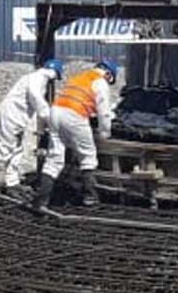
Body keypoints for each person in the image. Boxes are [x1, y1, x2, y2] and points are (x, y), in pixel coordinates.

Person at [33, 59, 118, 211]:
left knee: (54, 159)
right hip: (75, 115)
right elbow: (104, 112)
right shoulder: (100, 82)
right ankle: (90, 198)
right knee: (88, 157)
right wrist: (105, 133)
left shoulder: (80, 77)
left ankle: (41, 200)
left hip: (55, 112)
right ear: (109, 74)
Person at [0, 58, 63, 195]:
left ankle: (12, 183)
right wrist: (50, 118)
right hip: (11, 116)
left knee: (17, 150)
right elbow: (36, 99)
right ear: (54, 73)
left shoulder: (36, 78)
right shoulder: (38, 78)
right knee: (6, 149)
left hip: (16, 117)